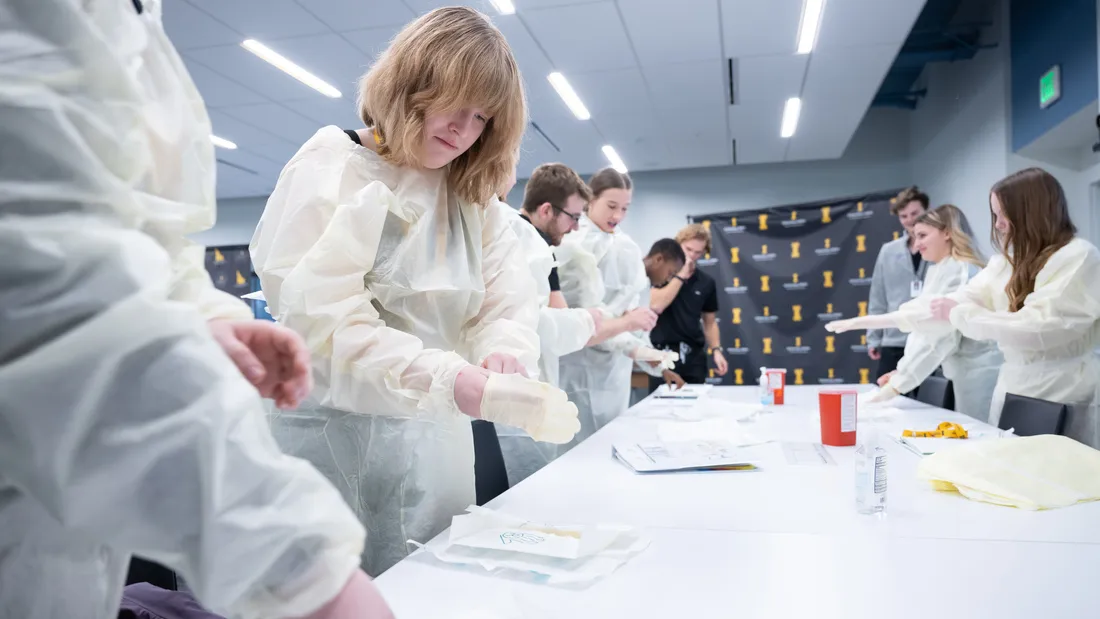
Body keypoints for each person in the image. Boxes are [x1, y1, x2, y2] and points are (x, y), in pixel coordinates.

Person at [0, 1, 392, 618]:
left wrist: (209, 319)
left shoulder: (131, 22)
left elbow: (146, 240)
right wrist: (300, 567)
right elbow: (47, 296)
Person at [250, 7, 579, 576]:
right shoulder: (332, 166)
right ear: (411, 84)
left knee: (431, 590)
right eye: (455, 102)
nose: (462, 129)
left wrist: (504, 351)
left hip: (435, 449)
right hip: (330, 443)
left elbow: (505, 298)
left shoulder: (473, 199)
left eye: (481, 117)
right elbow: (322, 317)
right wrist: (454, 378)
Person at [925, 169, 1098, 446]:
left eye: (1004, 215)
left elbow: (1037, 327)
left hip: (1063, 389)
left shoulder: (1079, 256)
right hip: (1014, 383)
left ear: (1032, 211)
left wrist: (964, 315)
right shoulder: (1007, 262)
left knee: (1059, 478)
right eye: (995, 215)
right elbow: (964, 298)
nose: (998, 225)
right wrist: (964, 312)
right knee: (1009, 472)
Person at [824, 205, 1004, 421]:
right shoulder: (940, 268)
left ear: (947, 232)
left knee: (981, 438)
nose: (916, 244)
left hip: (980, 374)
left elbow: (938, 337)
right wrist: (901, 372)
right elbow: (922, 329)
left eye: (922, 236)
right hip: (963, 373)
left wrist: (898, 384)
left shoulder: (962, 271)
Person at [557, 168, 680, 444]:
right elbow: (582, 322)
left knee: (609, 444)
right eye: (611, 206)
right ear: (591, 200)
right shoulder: (573, 246)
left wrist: (648, 354)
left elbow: (631, 312)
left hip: (614, 374)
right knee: (574, 448)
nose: (618, 216)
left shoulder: (627, 248)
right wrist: (633, 341)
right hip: (575, 368)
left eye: (625, 208)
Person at [648, 223, 729, 391]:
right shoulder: (662, 273)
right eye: (688, 249)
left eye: (698, 252)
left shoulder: (706, 282)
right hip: (662, 355)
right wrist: (681, 275)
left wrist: (716, 350)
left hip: (693, 358)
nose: (692, 256)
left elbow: (710, 322)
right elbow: (656, 305)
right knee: (659, 410)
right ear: (678, 246)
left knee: (694, 409)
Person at [866, 187, 930, 386]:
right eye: (904, 216)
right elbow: (878, 297)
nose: (910, 220)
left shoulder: (940, 248)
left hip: (928, 341)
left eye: (915, 213)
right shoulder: (888, 251)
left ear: (927, 211)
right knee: (888, 404)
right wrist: (873, 338)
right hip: (894, 340)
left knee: (929, 406)